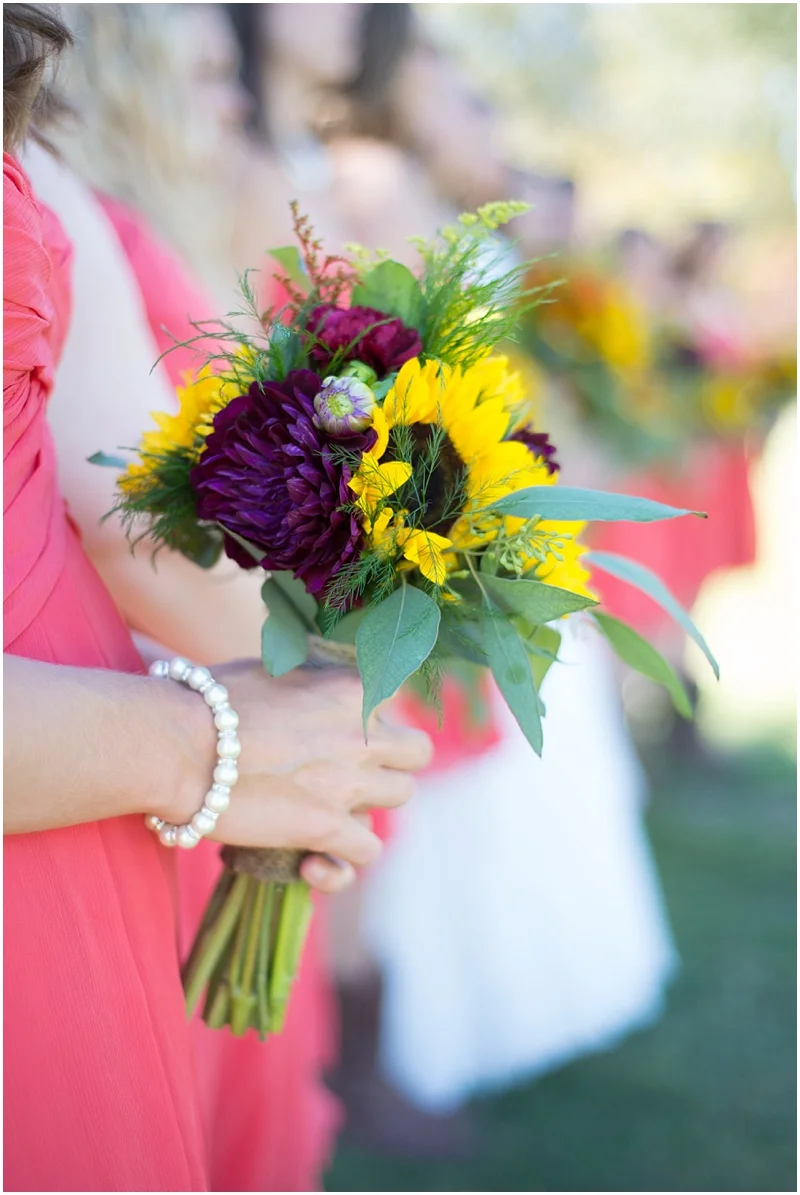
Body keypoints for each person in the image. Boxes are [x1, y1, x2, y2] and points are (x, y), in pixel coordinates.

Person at [3, 7, 431, 1190]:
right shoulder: (63, 177)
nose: (231, 96)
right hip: (88, 744)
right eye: (202, 73)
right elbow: (134, 520)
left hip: (93, 744)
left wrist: (294, 712)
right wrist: (290, 706)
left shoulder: (34, 158)